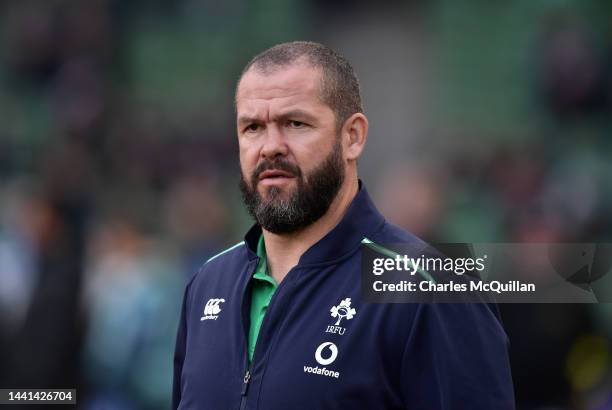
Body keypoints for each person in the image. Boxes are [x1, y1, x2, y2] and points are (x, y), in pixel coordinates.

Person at [172, 41, 515, 409]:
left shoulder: (430, 289)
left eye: (295, 123)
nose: (270, 146)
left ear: (352, 136)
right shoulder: (207, 285)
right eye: (253, 127)